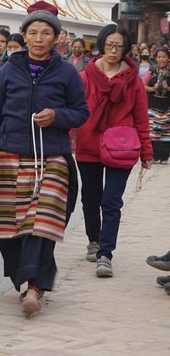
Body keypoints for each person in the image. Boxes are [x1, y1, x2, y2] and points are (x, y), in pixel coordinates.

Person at [0, 1, 89, 316]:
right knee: (11, 229)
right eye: (33, 32)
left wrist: (57, 116)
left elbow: (82, 112)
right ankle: (24, 278)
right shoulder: (9, 70)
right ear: (24, 35)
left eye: (46, 32)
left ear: (55, 37)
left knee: (42, 224)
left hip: (52, 158)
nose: (39, 38)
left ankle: (35, 286)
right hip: (9, 156)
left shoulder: (67, 72)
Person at [77, 24, 152, 276]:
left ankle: (105, 253)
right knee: (91, 197)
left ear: (126, 49)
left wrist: (147, 152)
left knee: (111, 200)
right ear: (101, 44)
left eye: (118, 46)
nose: (113, 50)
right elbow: (75, 109)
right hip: (88, 144)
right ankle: (93, 239)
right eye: (109, 44)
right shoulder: (87, 75)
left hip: (122, 147)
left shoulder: (133, 80)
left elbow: (141, 117)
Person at [144, 47, 170, 162]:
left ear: (168, 58)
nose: (161, 59)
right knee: (153, 129)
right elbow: (143, 85)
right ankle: (153, 155)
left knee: (165, 131)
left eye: (164, 57)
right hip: (153, 104)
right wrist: (152, 88)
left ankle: (164, 156)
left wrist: (167, 88)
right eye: (159, 57)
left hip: (167, 105)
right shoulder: (151, 71)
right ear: (155, 58)